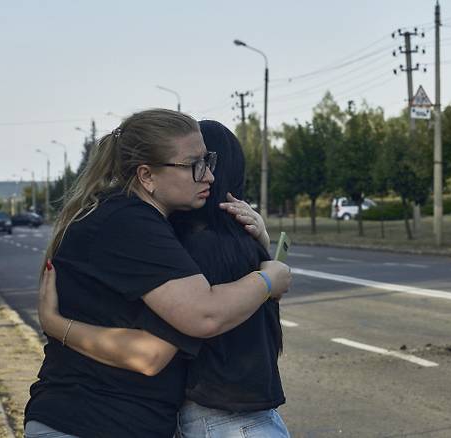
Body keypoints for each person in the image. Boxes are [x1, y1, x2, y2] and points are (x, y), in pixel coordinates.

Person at [26, 109, 291, 438]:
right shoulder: (132, 224)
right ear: (147, 176)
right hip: (92, 420)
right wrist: (268, 279)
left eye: (208, 161)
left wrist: (260, 245)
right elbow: (169, 341)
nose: (208, 175)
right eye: (194, 165)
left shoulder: (127, 217)